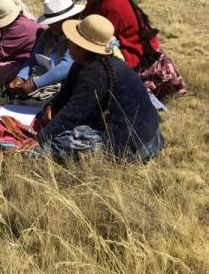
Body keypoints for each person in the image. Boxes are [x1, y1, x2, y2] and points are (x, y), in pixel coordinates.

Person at [35, 15, 164, 163]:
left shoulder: (96, 72)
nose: (68, 44)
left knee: (60, 143)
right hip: (147, 133)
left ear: (81, 47)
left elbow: (74, 113)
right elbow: (67, 93)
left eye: (72, 41)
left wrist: (40, 140)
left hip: (136, 143)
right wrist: (53, 105)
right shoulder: (83, 63)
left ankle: (27, 157)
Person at [82, 0, 186, 98]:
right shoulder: (98, 3)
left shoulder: (113, 4)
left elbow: (99, 39)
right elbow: (85, 20)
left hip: (137, 59)